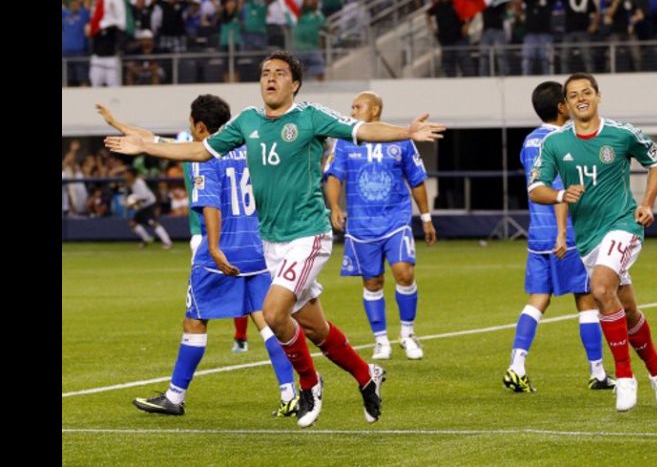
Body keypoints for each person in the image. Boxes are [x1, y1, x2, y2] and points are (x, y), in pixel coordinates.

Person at [104, 50, 445, 428]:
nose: (270, 78)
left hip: (308, 235)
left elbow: (362, 130)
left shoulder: (310, 116)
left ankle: (309, 385)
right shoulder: (247, 121)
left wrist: (406, 132)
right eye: (266, 72)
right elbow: (200, 149)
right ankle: (367, 375)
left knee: (273, 313)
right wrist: (146, 147)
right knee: (314, 328)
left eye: (280, 73)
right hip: (271, 242)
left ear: (294, 84)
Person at [119, 94, 300, 417]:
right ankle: (290, 392)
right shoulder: (251, 150)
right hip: (257, 249)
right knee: (267, 320)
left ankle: (175, 396)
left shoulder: (206, 156)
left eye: (191, 123)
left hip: (222, 252)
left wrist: (214, 248)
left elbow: (211, 205)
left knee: (195, 319)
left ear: (200, 126)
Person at [528, 72, 657, 412]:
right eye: (573, 95)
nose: (581, 98)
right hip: (589, 237)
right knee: (627, 309)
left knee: (601, 289)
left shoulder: (622, 134)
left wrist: (647, 203)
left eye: (587, 92)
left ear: (598, 96)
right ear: (565, 105)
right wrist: (561, 194)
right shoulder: (555, 143)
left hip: (624, 225)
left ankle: (624, 377)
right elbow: (536, 188)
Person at [97, 104, 250, 353]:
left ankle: (186, 375)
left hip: (206, 233)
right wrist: (115, 123)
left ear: (200, 126)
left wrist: (116, 124)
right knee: (252, 294)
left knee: (197, 312)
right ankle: (252, 344)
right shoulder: (241, 148)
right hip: (245, 232)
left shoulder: (191, 150)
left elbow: (148, 139)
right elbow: (147, 138)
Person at [503, 81, 614, 394]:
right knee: (586, 299)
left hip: (537, 233)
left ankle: (516, 366)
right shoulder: (564, 140)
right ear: (561, 106)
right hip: (567, 235)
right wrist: (563, 232)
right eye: (569, 98)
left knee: (538, 298)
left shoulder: (529, 141)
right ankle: (597, 372)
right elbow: (560, 189)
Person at [324, 91, 437, 362]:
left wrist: (426, 218)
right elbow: (334, 176)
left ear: (374, 110)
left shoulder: (401, 139)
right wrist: (335, 206)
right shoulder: (344, 141)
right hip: (361, 225)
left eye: (358, 107)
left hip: (396, 220)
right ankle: (381, 340)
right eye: (351, 107)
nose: (352, 111)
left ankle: (407, 334)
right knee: (372, 281)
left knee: (404, 273)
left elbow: (416, 180)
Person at [122, 167, 174, 249]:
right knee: (133, 224)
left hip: (149, 205)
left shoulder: (139, 182)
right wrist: (132, 203)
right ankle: (147, 239)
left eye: (126, 173)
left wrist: (132, 204)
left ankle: (167, 242)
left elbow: (144, 197)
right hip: (143, 206)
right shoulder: (132, 183)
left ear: (131, 174)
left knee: (153, 223)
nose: (124, 175)